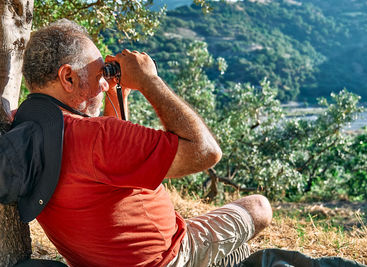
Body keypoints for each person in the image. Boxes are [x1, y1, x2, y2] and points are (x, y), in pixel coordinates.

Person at [21, 19, 273, 267]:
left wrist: (116, 96)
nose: (105, 83)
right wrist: (148, 79)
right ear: (68, 77)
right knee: (259, 206)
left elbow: (107, 158)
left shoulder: (25, 123)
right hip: (169, 258)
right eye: (99, 75)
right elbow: (206, 152)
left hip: (100, 257)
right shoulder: (96, 135)